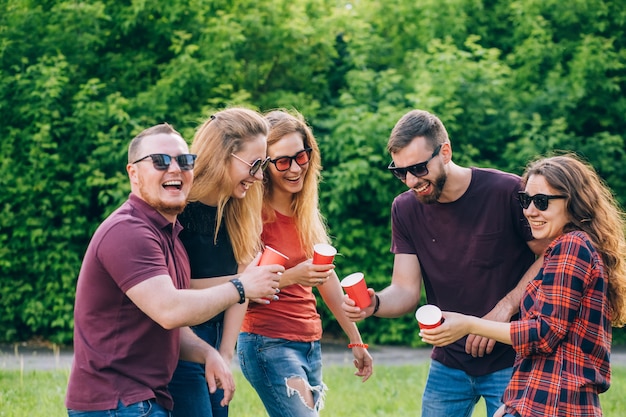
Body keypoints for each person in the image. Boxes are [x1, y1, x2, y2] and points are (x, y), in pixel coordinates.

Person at [65, 123, 283, 417]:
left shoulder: (169, 235)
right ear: (134, 173)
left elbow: (166, 325)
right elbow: (170, 311)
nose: (175, 169)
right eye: (160, 161)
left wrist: (209, 354)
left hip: (142, 400)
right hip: (117, 403)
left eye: (184, 161)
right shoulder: (128, 231)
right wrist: (241, 286)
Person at [341, 109, 549, 417]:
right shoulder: (405, 209)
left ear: (446, 152)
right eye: (400, 172)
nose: (411, 180)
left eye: (419, 168)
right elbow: (405, 289)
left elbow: (550, 255)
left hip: (512, 358)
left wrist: (505, 307)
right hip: (449, 363)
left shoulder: (505, 191)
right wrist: (375, 303)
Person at [420, 154, 626, 417]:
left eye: (541, 202)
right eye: (525, 200)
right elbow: (552, 349)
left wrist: (469, 324)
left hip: (558, 407)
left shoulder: (572, 247)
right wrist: (517, 400)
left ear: (573, 202)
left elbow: (543, 334)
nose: (529, 211)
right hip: (539, 403)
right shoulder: (564, 249)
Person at [237, 109, 373, 417]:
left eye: (301, 156)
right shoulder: (251, 213)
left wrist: (356, 340)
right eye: (282, 161)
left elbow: (325, 277)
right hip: (266, 342)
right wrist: (294, 275)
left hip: (310, 343)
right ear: (264, 166)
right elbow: (239, 284)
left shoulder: (304, 211)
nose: (295, 168)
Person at [168, 108, 272, 417]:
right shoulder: (177, 209)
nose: (260, 175)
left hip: (216, 339)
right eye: (255, 164)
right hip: (180, 341)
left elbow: (241, 287)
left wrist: (225, 353)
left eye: (263, 164)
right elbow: (170, 291)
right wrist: (243, 286)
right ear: (222, 155)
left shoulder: (238, 209)